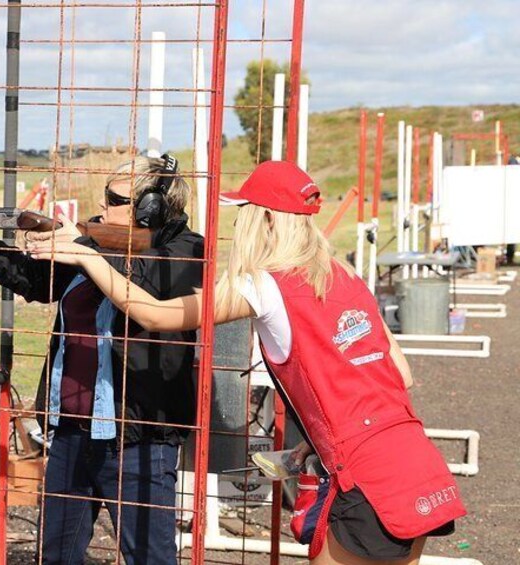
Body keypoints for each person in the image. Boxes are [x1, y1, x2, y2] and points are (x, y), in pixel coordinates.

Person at [27, 160, 466, 565]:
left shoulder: (264, 285)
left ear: (269, 219)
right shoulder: (343, 272)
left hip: (363, 477)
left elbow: (154, 314)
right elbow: (398, 375)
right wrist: (317, 439)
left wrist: (85, 254)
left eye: (245, 214)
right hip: (411, 459)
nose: (239, 225)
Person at [0, 155, 203, 565]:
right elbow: (36, 281)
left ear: (151, 208)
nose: (103, 206)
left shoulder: (186, 249)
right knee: (56, 554)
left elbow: (148, 284)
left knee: (151, 558)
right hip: (72, 430)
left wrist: (85, 248)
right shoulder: (99, 242)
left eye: (114, 198)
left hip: (138, 439)